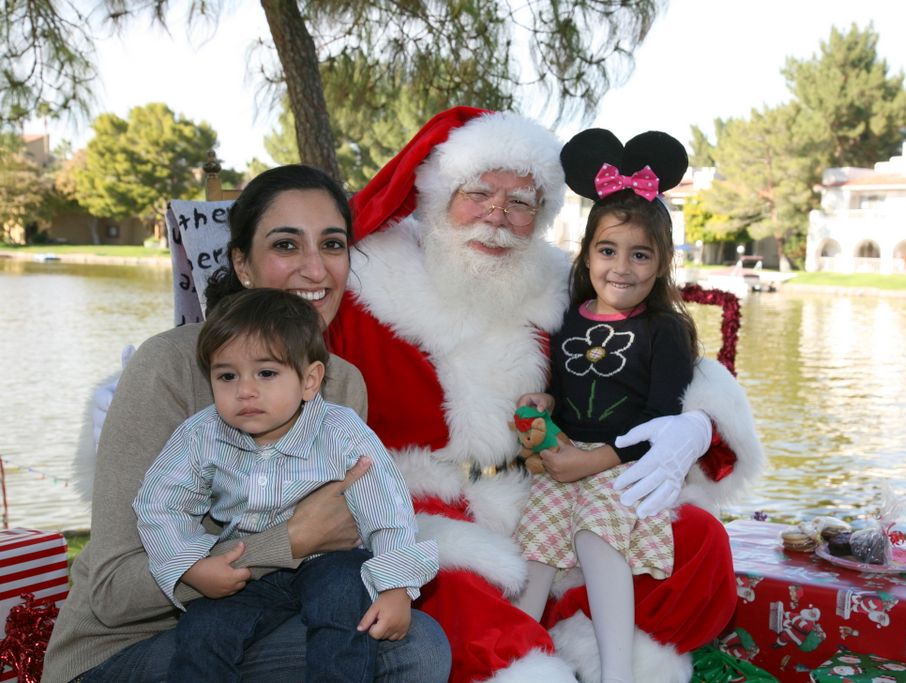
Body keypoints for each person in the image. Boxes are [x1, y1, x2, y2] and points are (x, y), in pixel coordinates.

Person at [327, 107, 765, 683]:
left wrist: (699, 424)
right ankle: (530, 660)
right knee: (450, 585)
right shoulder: (364, 283)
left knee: (698, 543)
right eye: (478, 193)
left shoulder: (558, 285)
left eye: (520, 203)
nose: (497, 218)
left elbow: (641, 360)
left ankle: (583, 640)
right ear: (437, 194)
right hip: (423, 502)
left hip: (550, 487)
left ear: (542, 217)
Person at [42, 165, 452, 683]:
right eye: (286, 245)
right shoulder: (169, 367)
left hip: (267, 619)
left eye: (332, 244)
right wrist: (289, 541)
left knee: (396, 635)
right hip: (125, 649)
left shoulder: (341, 385)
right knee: (407, 651)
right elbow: (110, 591)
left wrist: (382, 574)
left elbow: (356, 533)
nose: (315, 269)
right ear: (243, 263)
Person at [133, 287, 439, 681]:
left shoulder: (342, 433)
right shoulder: (203, 434)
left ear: (310, 381)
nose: (245, 390)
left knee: (346, 610)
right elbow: (161, 503)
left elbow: (388, 510)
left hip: (330, 561)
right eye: (227, 375)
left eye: (266, 373)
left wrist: (397, 587)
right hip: (253, 572)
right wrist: (189, 566)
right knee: (203, 630)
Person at [512, 128, 699, 683]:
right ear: (588, 253)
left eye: (640, 255)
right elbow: (561, 388)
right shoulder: (570, 315)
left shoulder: (665, 331)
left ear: (661, 263)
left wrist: (594, 462)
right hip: (560, 460)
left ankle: (617, 671)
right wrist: (543, 402)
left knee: (597, 536)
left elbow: (662, 421)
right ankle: (519, 655)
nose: (622, 267)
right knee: (535, 544)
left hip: (624, 467)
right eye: (608, 250)